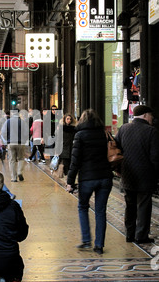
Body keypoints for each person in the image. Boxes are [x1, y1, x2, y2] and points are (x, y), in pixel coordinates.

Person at [66, 109, 113, 254]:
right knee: (100, 211)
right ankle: (99, 245)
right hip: (105, 177)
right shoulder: (104, 133)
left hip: (87, 178)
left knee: (83, 207)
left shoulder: (79, 135)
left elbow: (75, 161)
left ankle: (86, 240)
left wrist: (70, 181)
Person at [115, 105, 159, 244]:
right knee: (143, 206)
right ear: (145, 115)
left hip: (127, 175)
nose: (152, 118)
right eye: (151, 116)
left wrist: (120, 169)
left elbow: (117, 150)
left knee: (130, 205)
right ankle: (141, 236)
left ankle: (129, 234)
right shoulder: (152, 131)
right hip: (145, 176)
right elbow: (155, 157)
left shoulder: (123, 128)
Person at [1, 109, 28, 182]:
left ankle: (14, 177)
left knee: (12, 160)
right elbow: (26, 132)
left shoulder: (8, 122)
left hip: (11, 143)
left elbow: (3, 132)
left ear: (12, 113)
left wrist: (7, 140)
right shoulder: (22, 122)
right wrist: (24, 140)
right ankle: (20, 172)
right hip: (20, 143)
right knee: (21, 158)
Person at [57, 113, 76, 178]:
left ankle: (69, 180)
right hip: (64, 148)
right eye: (67, 119)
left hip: (72, 149)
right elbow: (58, 139)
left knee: (71, 165)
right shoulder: (61, 128)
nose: (69, 120)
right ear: (64, 120)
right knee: (65, 165)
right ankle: (67, 179)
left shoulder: (74, 129)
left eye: (70, 119)